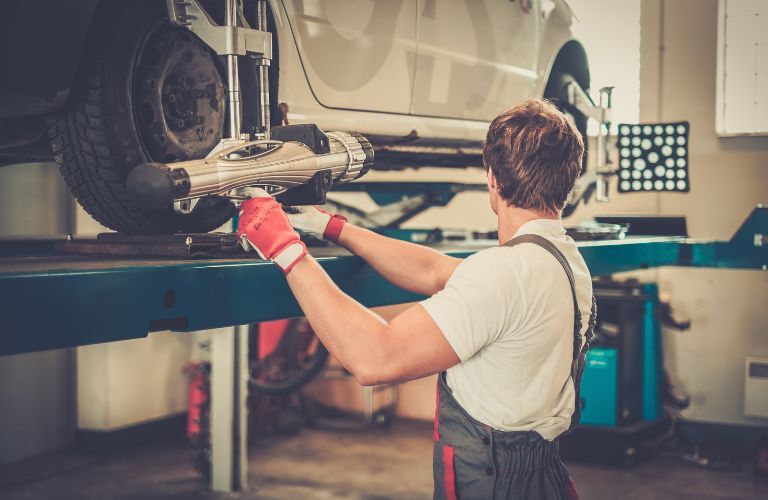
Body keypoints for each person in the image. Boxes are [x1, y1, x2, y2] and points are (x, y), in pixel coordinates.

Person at [237, 98, 595, 500]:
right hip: (543, 476)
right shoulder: (561, 259)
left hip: (495, 482)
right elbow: (434, 270)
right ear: (567, 179)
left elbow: (376, 358)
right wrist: (331, 227)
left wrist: (286, 249)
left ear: (493, 179)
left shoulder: (502, 273)